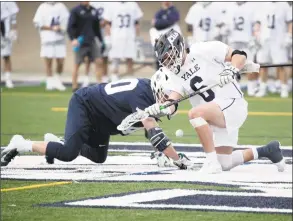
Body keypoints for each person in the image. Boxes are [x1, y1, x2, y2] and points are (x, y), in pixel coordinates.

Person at [144, 29, 286, 174]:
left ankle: (211, 163)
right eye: (164, 60)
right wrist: (161, 109)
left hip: (231, 103)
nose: (168, 62)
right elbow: (172, 102)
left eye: (169, 56)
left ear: (179, 47)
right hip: (213, 116)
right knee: (225, 163)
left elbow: (239, 55)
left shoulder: (203, 49)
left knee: (195, 113)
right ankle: (269, 150)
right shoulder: (173, 73)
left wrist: (231, 69)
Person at [1, 76, 190, 170]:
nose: (169, 100)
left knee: (99, 157)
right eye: (166, 96)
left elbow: (150, 130)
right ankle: (20, 144)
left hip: (103, 119)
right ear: (158, 88)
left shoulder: (149, 95)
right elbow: (153, 130)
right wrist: (177, 159)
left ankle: (59, 142)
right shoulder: (142, 95)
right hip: (87, 106)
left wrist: (160, 153)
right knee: (68, 154)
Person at [254, 1, 292, 98]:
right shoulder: (262, 4)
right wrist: (257, 34)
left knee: (281, 64)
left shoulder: (284, 4)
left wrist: (289, 35)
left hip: (279, 39)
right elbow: (258, 22)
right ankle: (263, 88)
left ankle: (284, 88)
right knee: (263, 64)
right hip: (264, 39)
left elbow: (290, 22)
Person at [67, 1, 105, 91]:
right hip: (80, 41)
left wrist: (101, 40)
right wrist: (73, 39)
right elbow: (70, 27)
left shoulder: (94, 11)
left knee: (99, 61)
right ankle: (74, 86)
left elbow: (97, 28)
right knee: (77, 64)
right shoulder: (75, 11)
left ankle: (100, 85)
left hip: (92, 40)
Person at [225, 2, 259, 96]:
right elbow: (225, 24)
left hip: (246, 40)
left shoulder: (250, 6)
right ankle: (234, 88)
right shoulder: (230, 7)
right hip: (233, 40)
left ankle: (251, 88)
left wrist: (255, 36)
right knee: (232, 65)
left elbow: (255, 24)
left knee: (249, 64)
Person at [103, 2, 143, 82]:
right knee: (115, 58)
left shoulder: (133, 4)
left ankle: (130, 78)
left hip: (129, 35)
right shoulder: (111, 4)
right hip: (116, 36)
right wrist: (108, 37)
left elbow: (137, 23)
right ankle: (114, 77)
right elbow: (107, 23)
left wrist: (138, 38)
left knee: (130, 58)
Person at [33, 2, 69, 91]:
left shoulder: (61, 6)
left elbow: (67, 21)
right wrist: (51, 28)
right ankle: (49, 81)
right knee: (48, 61)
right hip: (47, 39)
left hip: (59, 38)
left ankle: (57, 80)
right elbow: (38, 23)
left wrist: (61, 28)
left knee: (60, 60)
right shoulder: (42, 7)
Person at [149, 2, 181, 70]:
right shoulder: (159, 12)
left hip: (171, 38)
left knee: (173, 57)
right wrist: (163, 21)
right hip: (161, 38)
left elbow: (170, 21)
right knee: (160, 57)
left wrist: (160, 22)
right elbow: (155, 23)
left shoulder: (174, 11)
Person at [90, 1, 112, 83]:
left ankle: (105, 77)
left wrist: (103, 23)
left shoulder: (110, 3)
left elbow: (109, 19)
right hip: (93, 33)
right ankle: (95, 78)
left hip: (105, 34)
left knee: (105, 57)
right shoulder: (91, 3)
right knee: (95, 58)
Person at [1, 1, 19, 89]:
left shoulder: (10, 2)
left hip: (6, 32)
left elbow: (14, 19)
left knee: (6, 56)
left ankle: (8, 80)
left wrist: (14, 30)